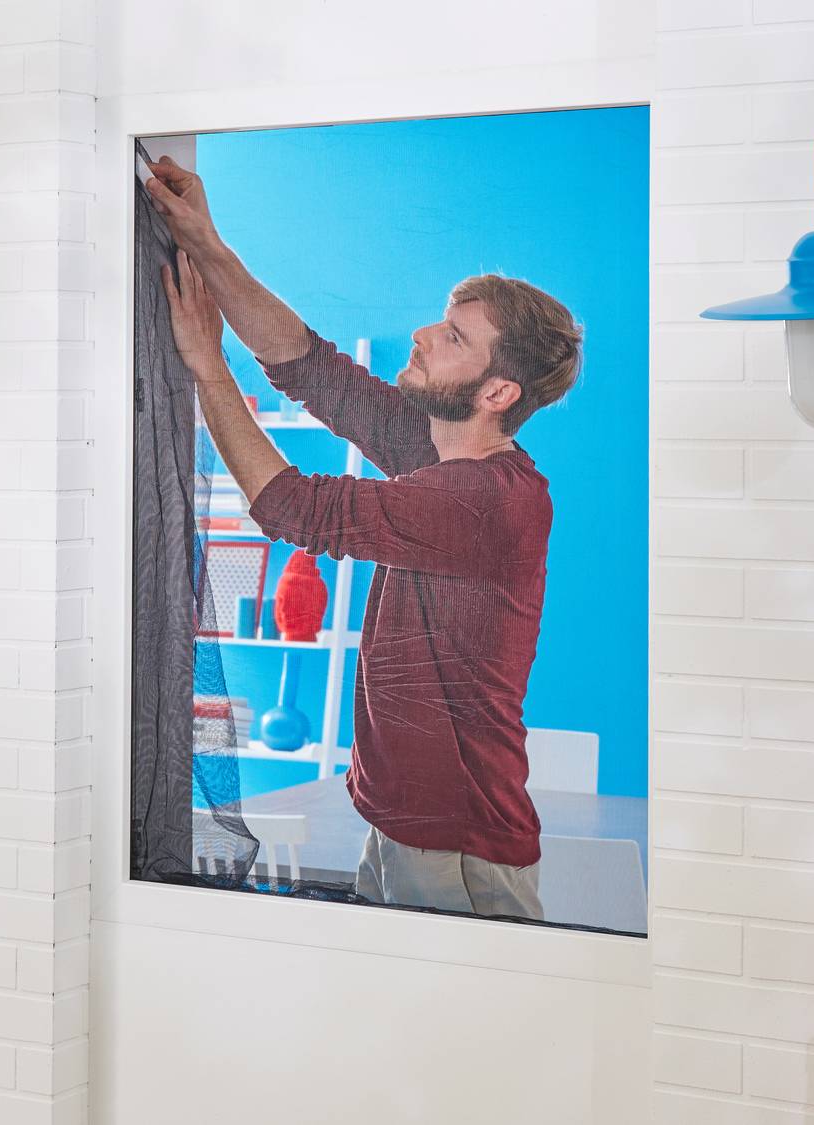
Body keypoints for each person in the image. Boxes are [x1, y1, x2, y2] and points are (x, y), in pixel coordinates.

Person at [144, 154, 583, 921]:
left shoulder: (487, 502)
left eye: (452, 337)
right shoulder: (437, 447)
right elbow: (308, 366)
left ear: (498, 392)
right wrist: (208, 245)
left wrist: (205, 366)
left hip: (457, 854)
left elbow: (292, 507)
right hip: (407, 833)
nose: (422, 334)